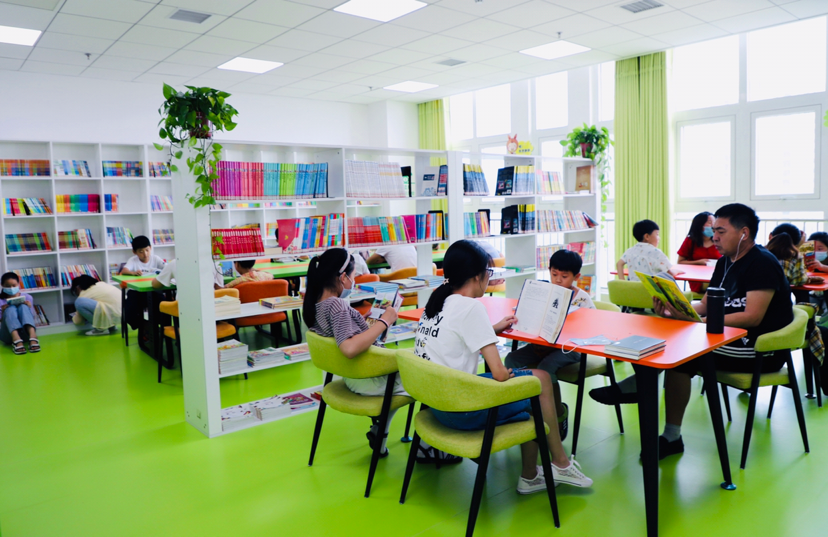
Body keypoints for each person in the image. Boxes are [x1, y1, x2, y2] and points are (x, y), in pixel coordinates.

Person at [591, 204, 793, 459]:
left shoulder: (762, 263)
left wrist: (699, 321)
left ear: (744, 233)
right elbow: (706, 304)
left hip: (759, 349)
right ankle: (651, 407)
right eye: (713, 230)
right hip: (727, 339)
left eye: (720, 231)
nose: (714, 237)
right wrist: (673, 307)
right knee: (669, 336)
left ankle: (648, 403)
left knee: (682, 356)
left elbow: (752, 316)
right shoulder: (725, 262)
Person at [415, 240, 592, 491]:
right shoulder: (471, 307)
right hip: (461, 410)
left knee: (533, 382)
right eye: (489, 272)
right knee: (538, 383)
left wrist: (492, 329)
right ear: (477, 276)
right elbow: (499, 374)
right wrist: (510, 374)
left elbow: (456, 334)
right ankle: (556, 466)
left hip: (436, 404)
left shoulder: (436, 302)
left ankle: (538, 473)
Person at [303, 247, 412, 459]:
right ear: (343, 277)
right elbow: (349, 348)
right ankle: (428, 447)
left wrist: (362, 321)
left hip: (352, 376)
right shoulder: (336, 305)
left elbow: (340, 333)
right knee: (425, 380)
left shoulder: (317, 304)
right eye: (353, 276)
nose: (354, 281)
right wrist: (384, 321)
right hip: (369, 379)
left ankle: (380, 432)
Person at [504, 250, 594, 441]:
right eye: (554, 274)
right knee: (511, 359)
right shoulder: (545, 292)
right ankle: (526, 409)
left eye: (564, 276)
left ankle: (557, 412)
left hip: (571, 348)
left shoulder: (583, 299)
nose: (558, 280)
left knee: (546, 367)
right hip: (542, 345)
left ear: (576, 276)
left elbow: (589, 329)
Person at [616, 219, 683, 282]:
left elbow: (619, 264)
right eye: (657, 234)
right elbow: (670, 274)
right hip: (651, 290)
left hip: (634, 289)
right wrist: (676, 271)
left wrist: (623, 282)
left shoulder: (630, 251)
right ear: (647, 236)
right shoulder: (657, 253)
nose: (659, 238)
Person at [677, 211, 721, 295]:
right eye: (710, 222)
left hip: (717, 275)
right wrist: (698, 262)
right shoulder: (690, 241)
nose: (713, 225)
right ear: (700, 225)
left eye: (714, 222)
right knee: (716, 285)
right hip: (698, 280)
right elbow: (680, 262)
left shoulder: (719, 240)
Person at [0, 272, 40, 354]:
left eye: (14, 285)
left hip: (26, 334)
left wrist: (29, 307)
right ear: (2, 285)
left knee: (23, 306)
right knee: (10, 308)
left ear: (18, 284)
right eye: (8, 286)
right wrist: (3, 312)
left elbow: (31, 318)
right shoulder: (0, 300)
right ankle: (16, 339)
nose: (11, 288)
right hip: (8, 335)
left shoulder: (27, 297)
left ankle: (33, 337)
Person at [152, 259, 225, 290]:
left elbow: (155, 284)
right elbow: (219, 290)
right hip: (209, 308)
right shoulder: (215, 263)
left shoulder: (175, 262)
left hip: (183, 309)